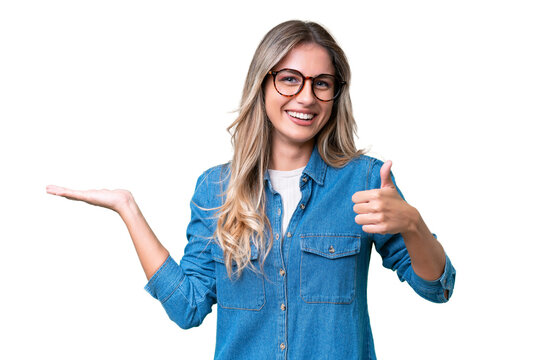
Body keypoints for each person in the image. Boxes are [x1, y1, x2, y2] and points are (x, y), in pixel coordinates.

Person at [46, 20, 456, 360]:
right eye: (290, 80)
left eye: (322, 83)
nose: (307, 97)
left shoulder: (364, 180)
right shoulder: (215, 189)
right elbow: (187, 307)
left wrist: (413, 224)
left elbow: (437, 287)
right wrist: (128, 208)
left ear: (335, 95)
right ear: (262, 85)